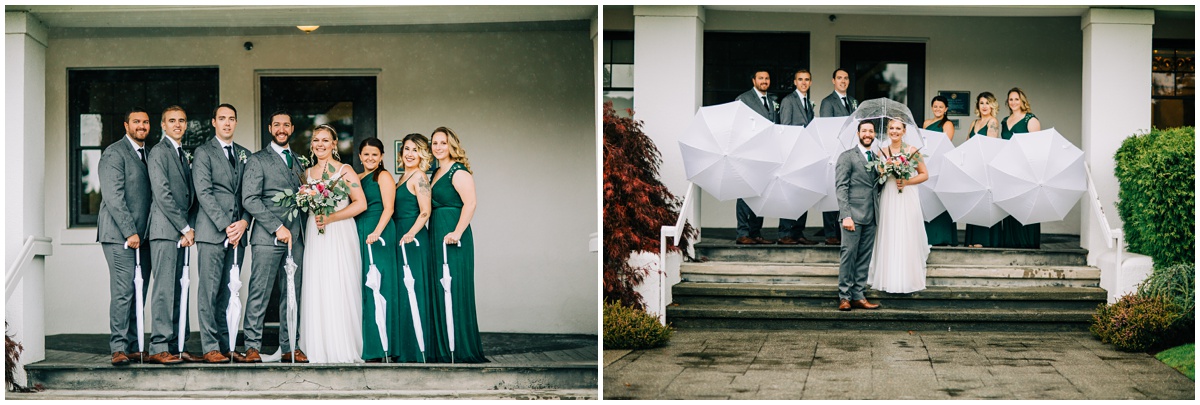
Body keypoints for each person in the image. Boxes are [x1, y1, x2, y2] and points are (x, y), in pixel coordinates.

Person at [240, 110, 308, 363]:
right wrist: (277, 226)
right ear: (270, 128)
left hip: (296, 238)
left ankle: (290, 346)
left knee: (292, 293)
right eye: (277, 125)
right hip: (267, 238)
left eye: (286, 125)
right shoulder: (257, 160)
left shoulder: (299, 161)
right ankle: (252, 346)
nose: (281, 129)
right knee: (260, 292)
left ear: (292, 128)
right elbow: (250, 199)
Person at [299, 124, 367, 363]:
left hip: (339, 231)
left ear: (334, 144)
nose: (320, 144)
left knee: (339, 283)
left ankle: (342, 344)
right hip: (315, 233)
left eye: (325, 140)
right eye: (316, 140)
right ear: (312, 145)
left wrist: (331, 217)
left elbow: (360, 203)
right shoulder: (306, 174)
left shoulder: (345, 171)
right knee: (317, 285)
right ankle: (317, 345)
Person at [193, 103, 251, 363]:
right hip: (213, 232)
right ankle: (210, 347)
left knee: (230, 292)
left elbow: (250, 194)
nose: (227, 123)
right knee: (209, 291)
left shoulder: (245, 154)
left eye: (231, 118)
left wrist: (244, 222)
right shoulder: (203, 152)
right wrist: (227, 225)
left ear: (236, 122)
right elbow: (204, 193)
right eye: (222, 118)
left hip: (238, 234)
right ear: (213, 122)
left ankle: (228, 345)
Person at [98, 108, 154, 366]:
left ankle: (132, 346)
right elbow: (114, 197)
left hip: (144, 236)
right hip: (119, 235)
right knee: (123, 290)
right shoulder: (114, 153)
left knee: (138, 290)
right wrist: (130, 231)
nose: (141, 126)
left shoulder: (149, 154)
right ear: (126, 125)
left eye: (145, 122)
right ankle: (118, 347)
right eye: (136, 122)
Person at [145, 106, 198, 364]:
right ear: (163, 125)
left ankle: (178, 345)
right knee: (164, 290)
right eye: (172, 120)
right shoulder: (158, 151)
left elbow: (189, 195)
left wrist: (189, 229)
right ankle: (159, 346)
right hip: (165, 231)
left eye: (182, 120)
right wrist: (185, 227)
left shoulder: (182, 154)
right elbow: (163, 194)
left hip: (181, 233)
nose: (177, 124)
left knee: (180, 289)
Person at [429, 127, 486, 363]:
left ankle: (461, 348)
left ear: (452, 145)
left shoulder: (458, 171)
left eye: (443, 143)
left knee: (454, 288)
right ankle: (444, 347)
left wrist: (457, 232)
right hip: (436, 234)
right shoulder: (435, 172)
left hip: (454, 236)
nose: (438, 147)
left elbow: (470, 203)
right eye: (435, 143)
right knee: (439, 288)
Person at [867, 119, 930, 294]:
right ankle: (887, 277)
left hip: (906, 195)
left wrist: (907, 181)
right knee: (889, 231)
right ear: (888, 130)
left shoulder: (912, 151)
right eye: (891, 128)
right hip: (888, 195)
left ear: (904, 131)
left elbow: (924, 174)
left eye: (898, 128)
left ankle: (907, 277)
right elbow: (877, 176)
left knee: (906, 231)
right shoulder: (881, 151)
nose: (894, 131)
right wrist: (883, 171)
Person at [392, 133, 440, 363]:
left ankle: (417, 350)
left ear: (423, 154)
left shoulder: (420, 176)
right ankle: (405, 347)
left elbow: (425, 211)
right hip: (400, 236)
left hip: (413, 240)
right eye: (407, 149)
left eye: (415, 150)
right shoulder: (402, 176)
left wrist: (411, 233)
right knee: (403, 291)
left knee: (414, 289)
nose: (410, 154)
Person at [355, 137, 402, 362]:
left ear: (381, 156)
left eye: (375, 154)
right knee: (363, 287)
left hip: (379, 232)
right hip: (360, 231)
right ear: (360, 156)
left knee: (380, 286)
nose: (370, 158)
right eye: (366, 154)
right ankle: (368, 346)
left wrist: (376, 232)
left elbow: (389, 208)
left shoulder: (383, 176)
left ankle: (383, 347)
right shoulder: (357, 177)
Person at [834, 120, 882, 311]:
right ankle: (844, 297)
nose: (867, 134)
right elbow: (841, 187)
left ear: (874, 134)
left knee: (864, 258)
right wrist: (846, 215)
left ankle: (858, 295)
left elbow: (876, 186)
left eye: (871, 131)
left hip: (872, 215)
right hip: (852, 216)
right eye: (864, 131)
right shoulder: (847, 157)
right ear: (858, 133)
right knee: (849, 256)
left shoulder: (877, 158)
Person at [775, 69, 819, 246]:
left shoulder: (808, 103)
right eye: (800, 79)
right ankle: (785, 233)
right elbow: (785, 128)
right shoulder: (788, 101)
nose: (804, 82)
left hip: (805, 155)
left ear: (810, 82)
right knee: (789, 194)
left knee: (802, 193)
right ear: (795, 82)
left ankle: (798, 232)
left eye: (807, 79)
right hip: (792, 154)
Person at [733, 69, 777, 244]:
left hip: (767, 154)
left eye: (767, 78)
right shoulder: (743, 99)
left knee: (762, 194)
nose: (764, 81)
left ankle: (756, 232)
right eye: (761, 78)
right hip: (748, 153)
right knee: (745, 192)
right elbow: (737, 125)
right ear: (754, 81)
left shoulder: (772, 101)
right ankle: (742, 233)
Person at [819, 68, 858, 245]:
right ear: (833, 81)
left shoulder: (853, 102)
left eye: (846, 78)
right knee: (831, 190)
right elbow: (827, 129)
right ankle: (830, 233)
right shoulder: (828, 102)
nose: (843, 81)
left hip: (849, 150)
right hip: (833, 150)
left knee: (846, 190)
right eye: (840, 78)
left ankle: (843, 230)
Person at [999, 87, 1042, 249]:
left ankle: (1027, 242)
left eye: (1016, 99)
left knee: (1026, 205)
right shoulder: (1005, 121)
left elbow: (1037, 147)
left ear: (1022, 101)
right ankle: (1011, 241)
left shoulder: (1030, 119)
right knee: (1011, 204)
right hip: (1009, 168)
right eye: (1011, 99)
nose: (1013, 102)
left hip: (1026, 168)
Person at [962, 92, 1002, 248]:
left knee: (985, 202)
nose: (984, 106)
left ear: (992, 105)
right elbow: (967, 143)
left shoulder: (993, 122)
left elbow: (990, 147)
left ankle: (984, 239)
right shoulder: (974, 122)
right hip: (973, 167)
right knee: (974, 202)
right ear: (977, 106)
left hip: (986, 168)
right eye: (981, 103)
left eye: (987, 103)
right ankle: (972, 239)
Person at [922, 96, 958, 247]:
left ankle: (943, 237)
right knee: (927, 198)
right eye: (935, 106)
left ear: (946, 109)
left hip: (940, 165)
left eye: (941, 107)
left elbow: (945, 145)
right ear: (932, 107)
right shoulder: (926, 123)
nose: (937, 109)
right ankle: (928, 237)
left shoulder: (947, 124)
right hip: (927, 163)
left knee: (939, 198)